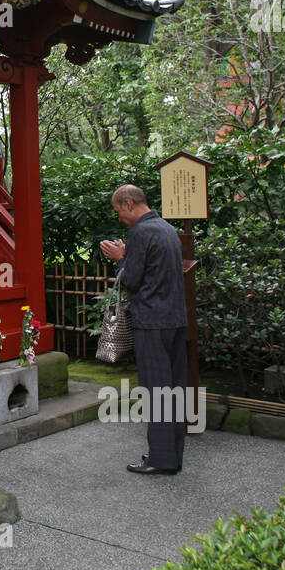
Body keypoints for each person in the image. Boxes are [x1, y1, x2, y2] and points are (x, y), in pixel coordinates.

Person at [98, 185, 189, 475]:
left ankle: (161, 460)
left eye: (118, 211)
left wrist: (120, 258)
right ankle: (173, 455)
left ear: (128, 204)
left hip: (151, 322)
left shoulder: (140, 232)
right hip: (175, 319)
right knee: (174, 390)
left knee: (157, 391)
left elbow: (133, 279)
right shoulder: (167, 229)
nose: (120, 218)